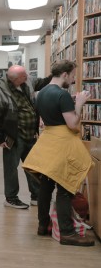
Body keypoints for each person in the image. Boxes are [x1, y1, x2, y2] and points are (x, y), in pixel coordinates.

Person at [23, 60, 94, 246]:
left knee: (46, 186)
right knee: (65, 188)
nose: (72, 80)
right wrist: (79, 104)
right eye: (71, 76)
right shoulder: (61, 95)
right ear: (64, 74)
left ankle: (43, 225)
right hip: (62, 144)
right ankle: (67, 233)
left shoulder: (42, 93)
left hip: (48, 142)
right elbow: (72, 124)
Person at [0, 65, 51, 209]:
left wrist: (54, 75)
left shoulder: (27, 81)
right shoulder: (1, 91)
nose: (28, 76)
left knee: (33, 166)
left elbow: (41, 82)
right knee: (11, 168)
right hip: (13, 135)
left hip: (30, 133)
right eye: (24, 75)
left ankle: (36, 196)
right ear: (16, 79)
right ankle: (11, 198)